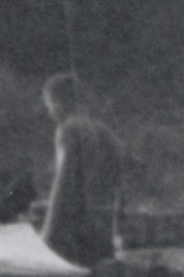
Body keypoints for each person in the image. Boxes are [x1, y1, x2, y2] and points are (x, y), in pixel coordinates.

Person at [37, 72, 125, 267]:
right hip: (104, 224)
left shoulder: (68, 130)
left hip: (72, 230)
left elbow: (63, 186)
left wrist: (48, 234)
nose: (50, 113)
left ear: (59, 103)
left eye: (49, 106)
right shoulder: (103, 132)